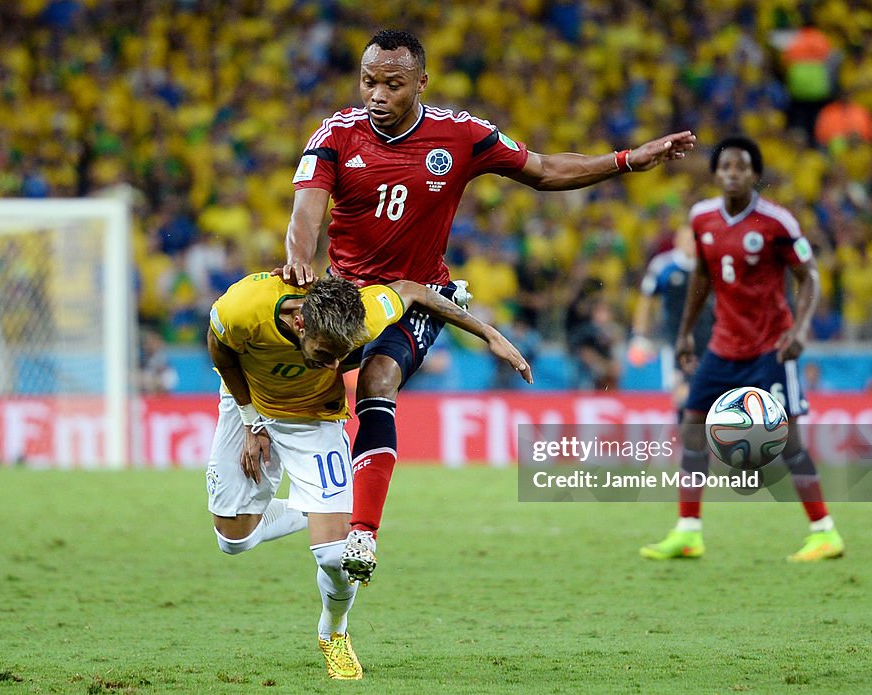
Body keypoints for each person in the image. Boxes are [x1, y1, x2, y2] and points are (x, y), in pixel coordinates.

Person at [280, 29, 696, 582]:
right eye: (368, 81)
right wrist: (300, 259)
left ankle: (364, 535)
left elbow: (545, 170)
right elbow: (304, 216)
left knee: (379, 380)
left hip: (419, 297)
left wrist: (624, 160)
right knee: (306, 390)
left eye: (392, 84)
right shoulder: (336, 136)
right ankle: (270, 471)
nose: (376, 94)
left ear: (421, 83)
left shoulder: (460, 135)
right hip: (347, 297)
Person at [206, 272, 531, 680]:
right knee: (233, 540)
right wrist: (251, 421)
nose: (333, 366)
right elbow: (219, 348)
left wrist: (488, 334)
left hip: (315, 421)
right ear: (301, 323)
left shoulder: (365, 313)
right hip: (248, 404)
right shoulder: (244, 306)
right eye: (325, 355)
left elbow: (413, 290)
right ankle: (317, 510)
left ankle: (333, 633)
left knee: (335, 557)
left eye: (341, 357)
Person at [640, 136, 844, 563]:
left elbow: (810, 277)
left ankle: (824, 531)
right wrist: (684, 334)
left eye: (741, 166)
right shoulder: (702, 218)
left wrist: (801, 329)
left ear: (754, 174)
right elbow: (702, 279)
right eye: (725, 167)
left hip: (772, 346)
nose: (733, 173)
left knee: (788, 440)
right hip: (722, 346)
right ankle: (688, 531)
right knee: (693, 426)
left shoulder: (777, 222)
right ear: (715, 175)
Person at [629, 224, 714, 414]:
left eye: (693, 240)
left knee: (708, 390)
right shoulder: (663, 265)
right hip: (675, 339)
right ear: (676, 242)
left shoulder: (709, 264)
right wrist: (639, 335)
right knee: (680, 391)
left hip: (707, 337)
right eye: (685, 240)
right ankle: (687, 439)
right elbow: (646, 301)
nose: (690, 245)